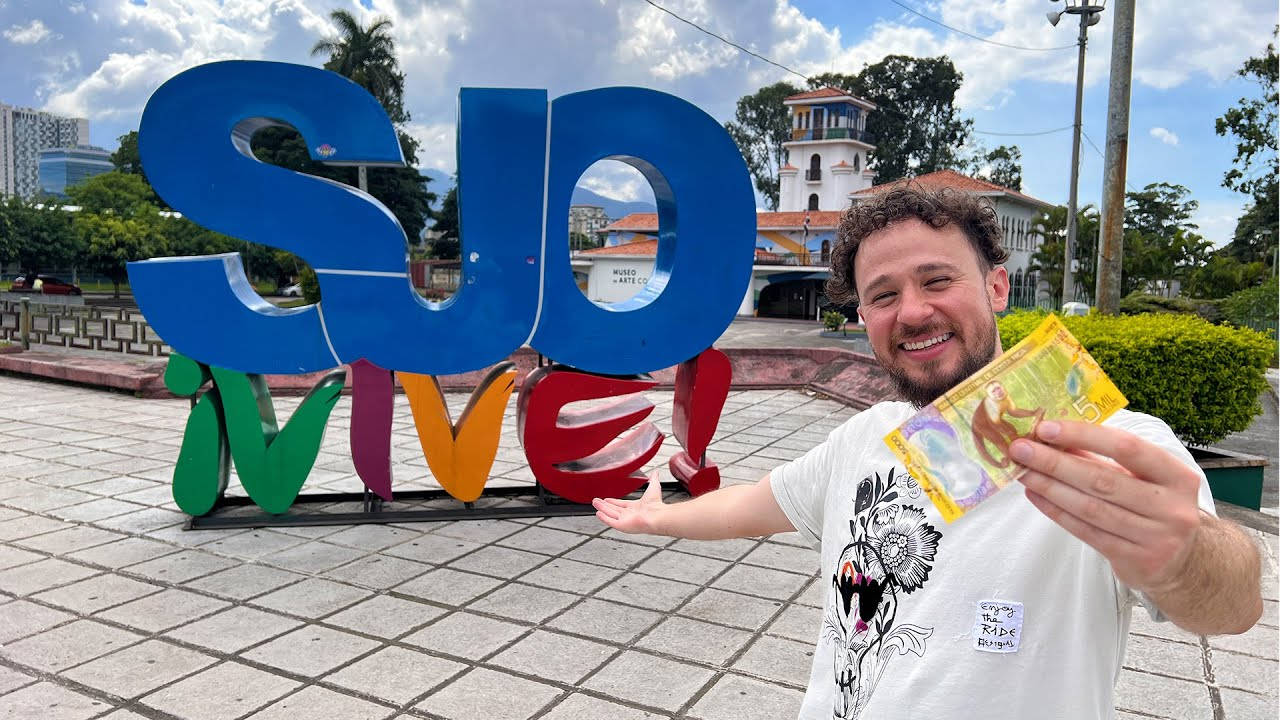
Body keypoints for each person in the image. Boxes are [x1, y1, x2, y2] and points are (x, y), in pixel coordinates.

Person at [593, 186, 1262, 720]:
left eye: (937, 280)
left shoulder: (1121, 446)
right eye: (883, 295)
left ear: (997, 288)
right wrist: (659, 518)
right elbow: (759, 503)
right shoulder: (865, 437)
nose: (911, 312)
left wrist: (1186, 560)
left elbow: (1231, 607)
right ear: (863, 318)